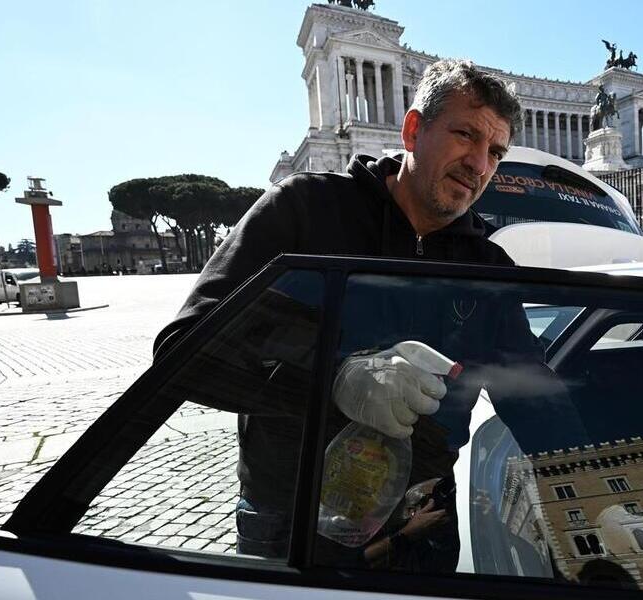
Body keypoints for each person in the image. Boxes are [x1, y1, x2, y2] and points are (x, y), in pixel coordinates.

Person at [154, 59, 536, 560]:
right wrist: (335, 377)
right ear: (413, 129)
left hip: (421, 522)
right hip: (290, 516)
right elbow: (185, 350)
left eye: (495, 152)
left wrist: (601, 467)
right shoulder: (303, 211)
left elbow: (533, 392)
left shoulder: (488, 266)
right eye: (465, 134)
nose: (480, 164)